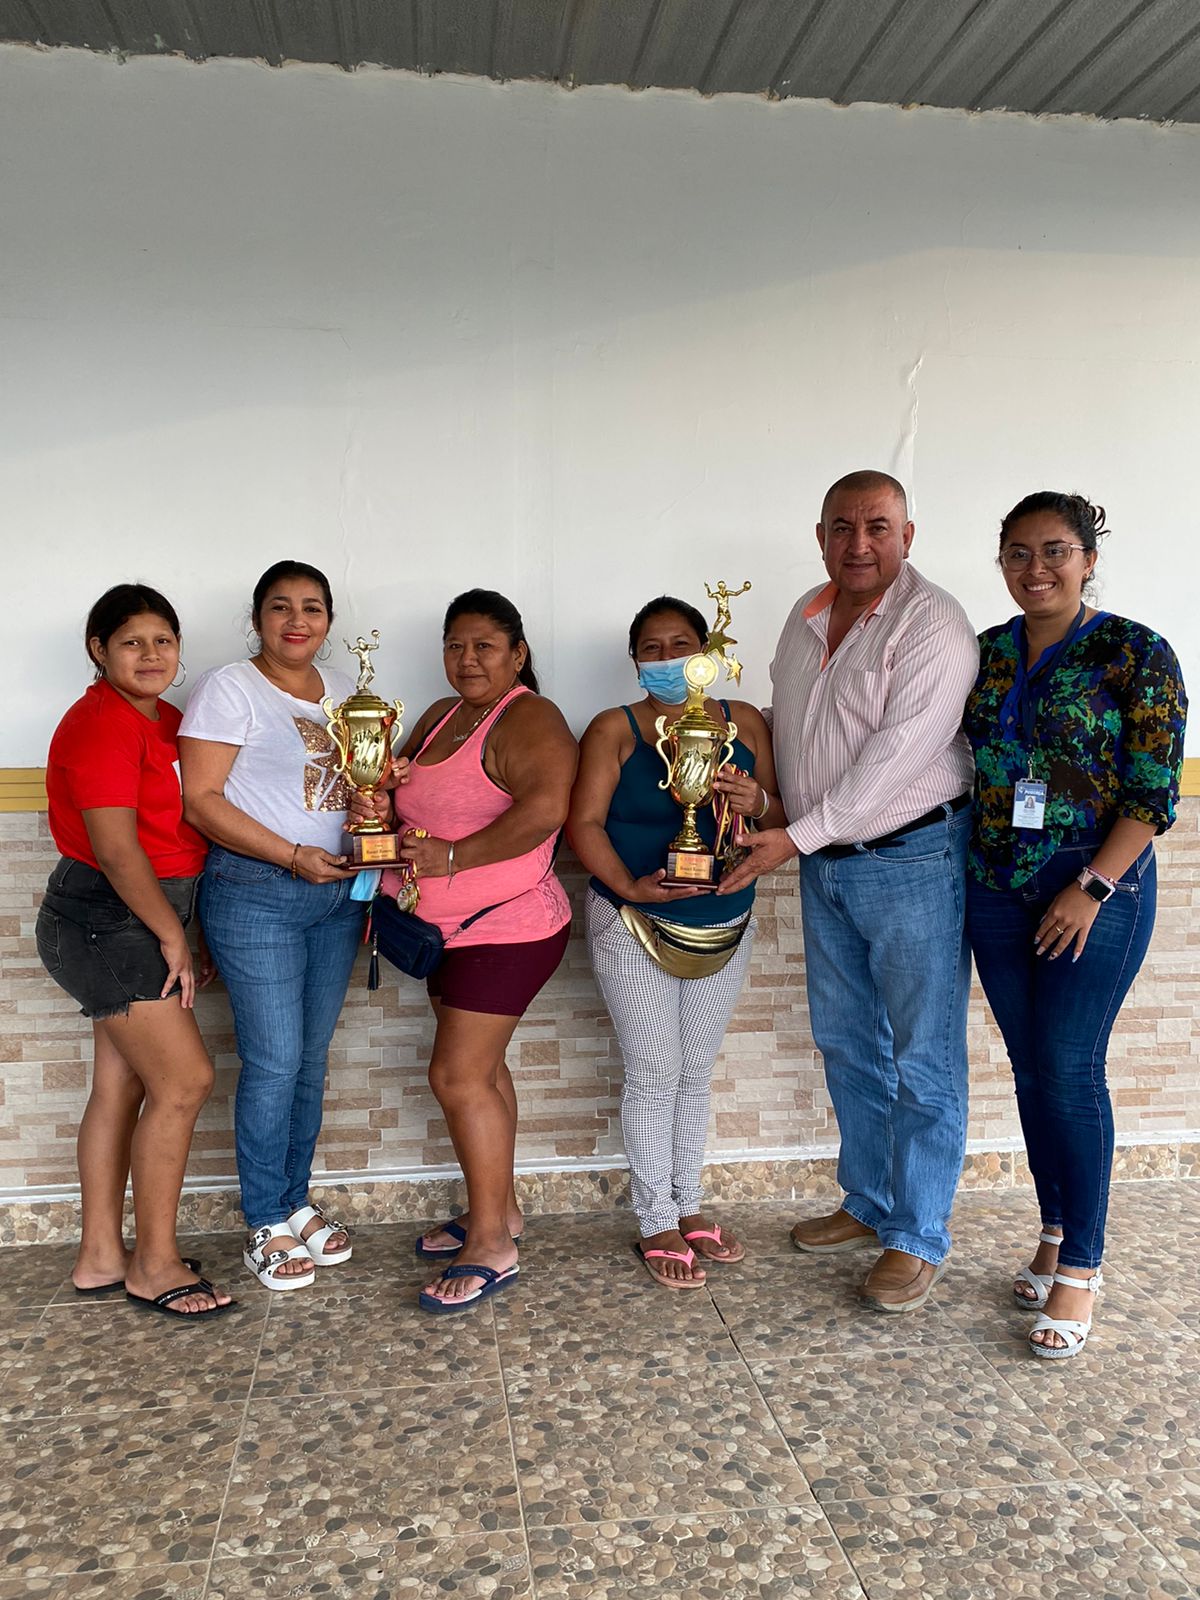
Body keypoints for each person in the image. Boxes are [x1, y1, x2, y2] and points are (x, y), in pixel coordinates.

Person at [719, 469, 979, 1312]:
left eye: (877, 527)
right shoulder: (805, 616)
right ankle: (869, 1202)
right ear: (821, 535)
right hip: (826, 861)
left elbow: (893, 763)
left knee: (922, 1056)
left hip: (911, 859)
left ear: (908, 535)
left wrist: (790, 837)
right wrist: (760, 791)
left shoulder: (933, 624)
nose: (858, 544)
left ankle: (918, 1234)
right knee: (846, 1041)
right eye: (842, 527)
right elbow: (799, 734)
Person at [963, 492, 1186, 1358]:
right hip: (996, 883)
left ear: (1088, 559)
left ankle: (1083, 1269)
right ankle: (1054, 1230)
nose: (1036, 569)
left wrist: (1091, 886)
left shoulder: (1136, 651)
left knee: (1069, 1067)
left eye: (1055, 551)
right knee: (1032, 1070)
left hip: (1096, 884)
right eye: (1018, 553)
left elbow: (1153, 792)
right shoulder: (987, 653)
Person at [370, 590, 577, 1314]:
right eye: (455, 645)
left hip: (508, 928)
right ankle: (500, 1210)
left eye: (484, 646)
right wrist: (381, 797)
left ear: (518, 654)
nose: (467, 659)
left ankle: (491, 1242)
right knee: (480, 1072)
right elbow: (398, 790)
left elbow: (546, 810)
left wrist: (453, 857)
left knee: (457, 1076)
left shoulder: (531, 717)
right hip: (442, 932)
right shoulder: (438, 715)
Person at [568, 596, 782, 1288]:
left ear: (707, 652)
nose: (667, 659)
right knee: (654, 1071)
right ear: (635, 659)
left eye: (681, 644)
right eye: (652, 648)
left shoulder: (744, 721)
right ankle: (654, 1216)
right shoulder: (616, 727)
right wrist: (628, 887)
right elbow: (584, 824)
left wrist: (756, 804)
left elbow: (780, 813)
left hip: (725, 921)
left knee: (694, 1073)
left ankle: (687, 1204)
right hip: (632, 920)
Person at [36, 585, 233, 1318]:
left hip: (144, 914)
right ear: (99, 650)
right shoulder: (100, 724)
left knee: (120, 1085)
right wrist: (172, 934)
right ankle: (154, 1264)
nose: (151, 655)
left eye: (163, 641)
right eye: (131, 642)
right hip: (106, 918)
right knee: (184, 1082)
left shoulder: (168, 721)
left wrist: (185, 926)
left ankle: (100, 1256)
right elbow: (118, 851)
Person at [179, 561, 363, 1292]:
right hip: (257, 893)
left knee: (310, 1060)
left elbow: (353, 789)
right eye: (280, 606)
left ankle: (294, 1200)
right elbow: (201, 800)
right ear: (257, 619)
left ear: (329, 621)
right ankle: (263, 1218)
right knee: (275, 1061)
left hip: (337, 898)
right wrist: (290, 855)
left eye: (312, 607)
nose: (297, 620)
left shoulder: (346, 692)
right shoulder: (230, 688)